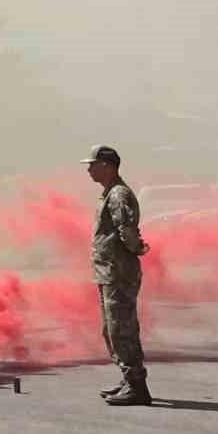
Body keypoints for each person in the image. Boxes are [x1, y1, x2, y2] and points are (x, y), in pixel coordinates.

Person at [84, 146, 152, 406]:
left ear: (108, 166)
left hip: (118, 273)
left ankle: (137, 387)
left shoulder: (119, 194)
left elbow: (127, 229)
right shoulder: (109, 192)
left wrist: (137, 248)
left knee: (122, 330)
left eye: (93, 164)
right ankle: (128, 380)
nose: (89, 169)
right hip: (107, 272)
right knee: (111, 330)